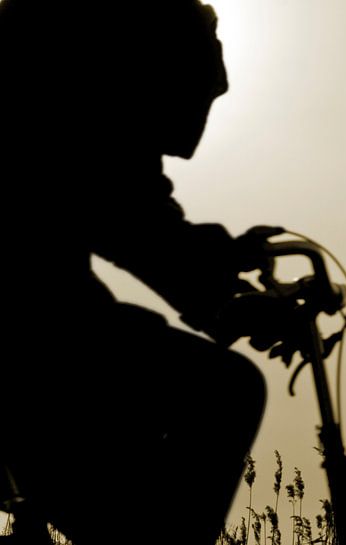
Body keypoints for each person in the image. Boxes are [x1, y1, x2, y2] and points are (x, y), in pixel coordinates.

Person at [0, 2, 290, 544]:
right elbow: (133, 221)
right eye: (202, 95)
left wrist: (228, 281)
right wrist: (230, 297)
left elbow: (136, 219)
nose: (197, 123)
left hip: (39, 317)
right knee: (226, 390)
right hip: (29, 326)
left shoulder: (68, 58)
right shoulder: (84, 91)